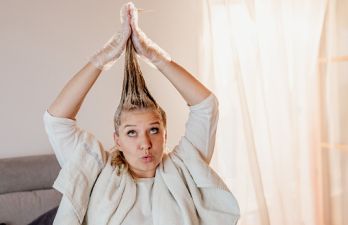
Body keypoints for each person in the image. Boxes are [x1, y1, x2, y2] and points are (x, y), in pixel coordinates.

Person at [43, 2, 239, 225]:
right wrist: (103, 57)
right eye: (131, 133)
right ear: (117, 140)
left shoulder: (184, 167)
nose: (145, 143)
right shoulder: (95, 169)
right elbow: (56, 120)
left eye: (153, 130)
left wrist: (154, 55)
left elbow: (206, 105)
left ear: (165, 134)